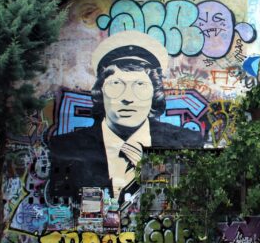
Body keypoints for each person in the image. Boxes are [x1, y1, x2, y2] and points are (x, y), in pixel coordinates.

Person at [49, 30, 203, 203]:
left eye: (140, 85)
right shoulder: (64, 148)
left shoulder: (187, 144)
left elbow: (190, 202)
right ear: (100, 91)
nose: (128, 98)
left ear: (155, 93)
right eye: (116, 84)